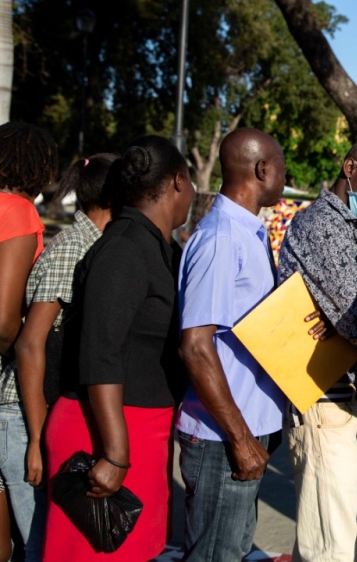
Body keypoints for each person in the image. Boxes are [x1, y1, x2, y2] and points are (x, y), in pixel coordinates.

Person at [43, 135, 194, 561]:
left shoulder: (159, 246)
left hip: (140, 426)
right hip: (106, 428)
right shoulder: (124, 248)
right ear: (179, 182)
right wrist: (114, 452)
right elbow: (100, 350)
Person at [278, 137, 357, 562]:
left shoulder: (348, 230)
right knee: (332, 550)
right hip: (322, 400)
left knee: (328, 537)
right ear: (351, 168)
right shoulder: (322, 226)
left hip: (347, 395)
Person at [175, 128, 288, 562]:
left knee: (233, 551)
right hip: (224, 435)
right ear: (263, 169)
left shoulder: (248, 231)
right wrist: (240, 438)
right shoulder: (222, 237)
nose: (284, 174)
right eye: (281, 165)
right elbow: (196, 347)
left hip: (246, 427)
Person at [16, 154, 118, 497]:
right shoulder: (74, 249)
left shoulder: (94, 245)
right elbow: (31, 344)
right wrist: (37, 439)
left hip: (43, 409)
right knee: (38, 543)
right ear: (111, 198)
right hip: (31, 413)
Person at [0, 122, 58, 561]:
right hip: (6, 394)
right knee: (35, 538)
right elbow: (4, 321)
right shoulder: (16, 211)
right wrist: (25, 350)